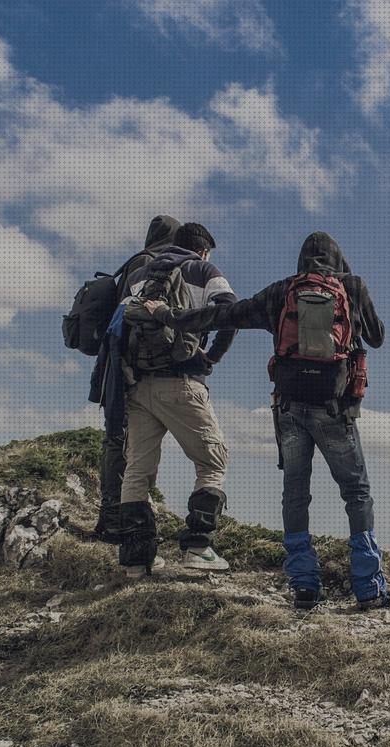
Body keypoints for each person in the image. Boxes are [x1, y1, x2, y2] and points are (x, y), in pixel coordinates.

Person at [146, 232, 390, 609]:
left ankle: (305, 585)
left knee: (296, 492)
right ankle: (369, 587)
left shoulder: (282, 291)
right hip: (335, 409)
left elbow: (225, 313)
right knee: (356, 492)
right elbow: (376, 338)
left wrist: (169, 316)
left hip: (290, 410)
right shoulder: (352, 287)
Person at [114, 222, 238, 577]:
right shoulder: (203, 269)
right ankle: (198, 547)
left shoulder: (140, 275)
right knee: (213, 461)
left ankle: (138, 560)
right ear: (202, 250)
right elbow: (229, 311)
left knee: (137, 471)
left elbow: (119, 325)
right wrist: (211, 357)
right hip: (181, 382)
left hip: (137, 385)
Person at [88, 214, 180, 543]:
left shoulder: (135, 261)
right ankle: (115, 521)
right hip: (128, 368)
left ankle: (117, 517)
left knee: (124, 440)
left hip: (117, 363)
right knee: (121, 440)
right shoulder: (151, 264)